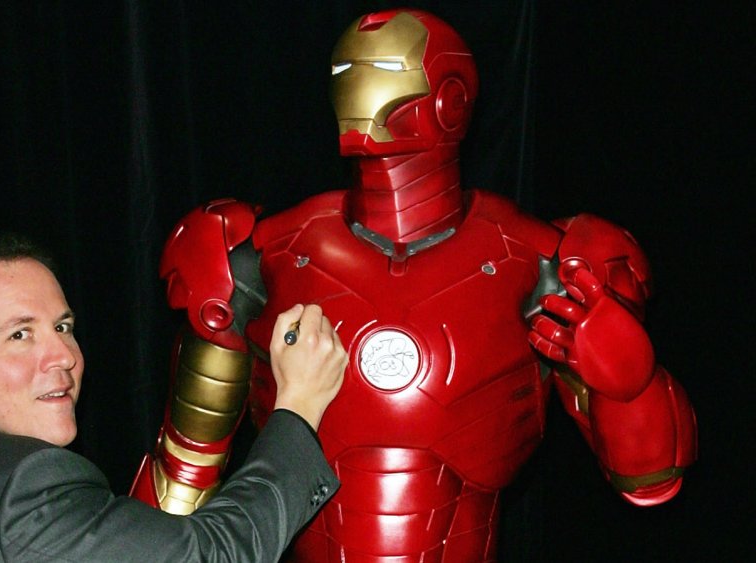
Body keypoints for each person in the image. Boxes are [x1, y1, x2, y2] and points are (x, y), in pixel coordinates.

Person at [129, 8, 697, 562]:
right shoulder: (255, 259)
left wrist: (633, 390)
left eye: (386, 70)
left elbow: (649, 481)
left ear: (450, 98)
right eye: (345, 71)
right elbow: (184, 469)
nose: (358, 87)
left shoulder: (549, 265)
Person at [0, 234, 348, 562]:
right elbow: (212, 554)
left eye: (63, 327)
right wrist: (298, 407)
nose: (63, 355)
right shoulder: (24, 485)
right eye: (20, 335)